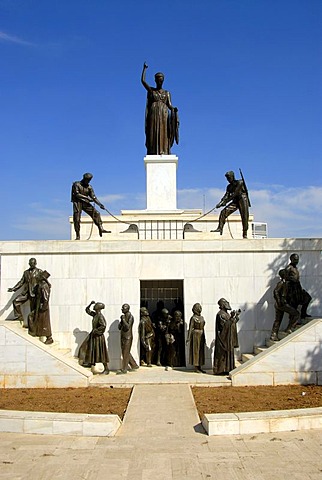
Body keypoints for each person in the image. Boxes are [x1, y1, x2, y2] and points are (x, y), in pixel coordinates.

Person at [141, 62, 179, 155]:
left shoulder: (167, 93)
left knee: (164, 132)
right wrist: (144, 69)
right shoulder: (152, 90)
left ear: (163, 81)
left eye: (161, 80)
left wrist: (174, 109)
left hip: (164, 114)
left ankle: (164, 150)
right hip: (154, 114)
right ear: (155, 80)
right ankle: (154, 150)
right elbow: (143, 81)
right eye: (158, 80)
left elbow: (169, 105)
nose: (159, 82)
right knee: (153, 132)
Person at [71, 172, 111, 240]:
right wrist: (87, 198)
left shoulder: (89, 187)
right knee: (77, 219)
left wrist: (100, 204)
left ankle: (101, 228)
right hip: (78, 202)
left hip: (85, 203)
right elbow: (76, 194)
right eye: (87, 180)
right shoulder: (76, 184)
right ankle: (78, 235)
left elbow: (93, 197)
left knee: (97, 213)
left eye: (89, 180)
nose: (88, 181)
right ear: (84, 179)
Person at [212, 171, 250, 239]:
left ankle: (245, 233)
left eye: (229, 178)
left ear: (233, 177)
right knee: (223, 212)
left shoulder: (240, 182)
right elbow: (226, 196)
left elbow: (235, 193)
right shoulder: (229, 187)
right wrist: (220, 203)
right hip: (235, 201)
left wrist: (225, 202)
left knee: (244, 217)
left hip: (242, 199)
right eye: (227, 178)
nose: (228, 180)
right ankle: (220, 229)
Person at [7, 257, 42, 327]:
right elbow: (21, 282)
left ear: (35, 263)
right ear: (29, 264)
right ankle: (19, 317)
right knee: (16, 301)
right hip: (26, 292)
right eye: (31, 263)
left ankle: (34, 326)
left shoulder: (39, 271)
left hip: (34, 294)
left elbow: (43, 282)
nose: (32, 265)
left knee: (33, 310)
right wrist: (14, 288)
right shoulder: (26, 272)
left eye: (33, 263)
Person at [77, 301, 109, 374]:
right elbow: (87, 311)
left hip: (98, 337)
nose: (94, 306)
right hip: (94, 335)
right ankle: (90, 362)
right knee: (89, 349)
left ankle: (106, 369)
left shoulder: (100, 316)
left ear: (98, 308)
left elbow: (103, 326)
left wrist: (96, 331)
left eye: (95, 305)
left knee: (100, 352)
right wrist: (90, 304)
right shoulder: (95, 315)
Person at [270, 269, 300, 340]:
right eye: (287, 274)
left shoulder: (286, 283)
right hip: (282, 304)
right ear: (284, 275)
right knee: (296, 314)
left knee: (278, 320)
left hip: (280, 304)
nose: (288, 275)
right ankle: (289, 328)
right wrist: (279, 301)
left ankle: (274, 334)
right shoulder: (281, 283)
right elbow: (276, 292)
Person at [213, 298, 240, 375]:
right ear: (223, 305)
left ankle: (228, 368)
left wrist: (235, 317)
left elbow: (231, 324)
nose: (228, 303)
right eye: (226, 302)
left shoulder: (226, 314)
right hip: (223, 339)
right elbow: (224, 327)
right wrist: (231, 318)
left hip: (229, 338)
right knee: (222, 355)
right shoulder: (220, 314)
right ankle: (220, 370)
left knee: (228, 353)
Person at [285, 253, 312, 325]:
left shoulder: (295, 268)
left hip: (298, 288)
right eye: (295, 259)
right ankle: (292, 324)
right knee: (294, 306)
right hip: (292, 289)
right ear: (291, 259)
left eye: (297, 260)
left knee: (308, 298)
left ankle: (303, 314)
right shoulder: (289, 268)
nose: (297, 261)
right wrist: (291, 279)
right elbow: (284, 277)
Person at [28, 271, 54, 344]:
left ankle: (49, 337)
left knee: (44, 323)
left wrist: (43, 307)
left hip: (42, 307)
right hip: (39, 305)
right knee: (37, 320)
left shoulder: (44, 285)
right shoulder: (40, 284)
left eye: (39, 276)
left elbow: (46, 298)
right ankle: (35, 331)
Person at [117, 304, 139, 374]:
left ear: (127, 309)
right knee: (125, 352)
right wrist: (121, 321)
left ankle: (124, 369)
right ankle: (134, 365)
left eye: (123, 308)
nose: (122, 309)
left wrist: (123, 319)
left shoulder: (130, 317)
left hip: (128, 337)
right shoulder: (123, 317)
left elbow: (127, 327)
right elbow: (119, 327)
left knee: (125, 353)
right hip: (123, 336)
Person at [186, 303, 206, 373]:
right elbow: (191, 327)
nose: (200, 309)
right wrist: (188, 338)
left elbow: (203, 328)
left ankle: (200, 366)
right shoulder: (193, 318)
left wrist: (204, 337)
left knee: (201, 351)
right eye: (198, 307)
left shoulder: (202, 317)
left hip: (201, 334)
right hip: (195, 335)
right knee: (196, 351)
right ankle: (196, 367)